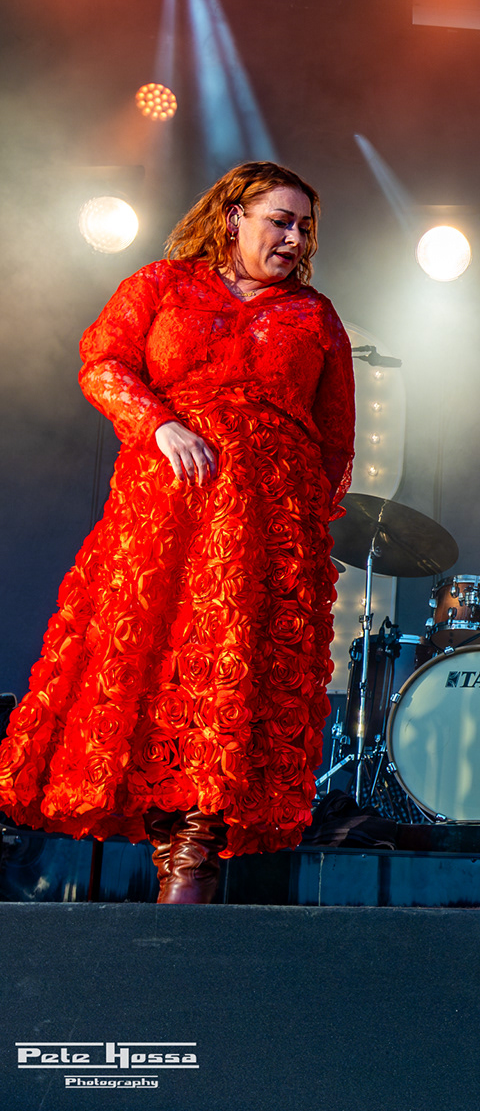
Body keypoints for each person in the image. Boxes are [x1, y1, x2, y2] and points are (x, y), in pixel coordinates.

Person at [0, 162, 353, 903]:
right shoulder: (162, 285)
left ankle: (193, 863)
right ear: (233, 217)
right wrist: (159, 424)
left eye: (304, 227)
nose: (295, 238)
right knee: (159, 676)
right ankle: (177, 864)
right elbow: (102, 363)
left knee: (233, 684)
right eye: (280, 221)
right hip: (168, 517)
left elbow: (334, 440)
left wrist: (297, 525)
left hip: (265, 531)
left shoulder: (315, 316)